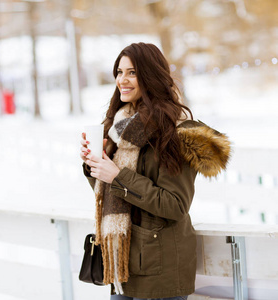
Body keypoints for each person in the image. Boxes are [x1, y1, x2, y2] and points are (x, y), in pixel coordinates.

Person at [79, 43, 231, 300]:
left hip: (159, 269)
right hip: (123, 266)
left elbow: (174, 205)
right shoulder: (119, 127)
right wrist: (96, 164)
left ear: (150, 75)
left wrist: (116, 175)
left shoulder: (175, 133)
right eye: (119, 71)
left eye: (132, 73)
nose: (122, 80)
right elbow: (113, 195)